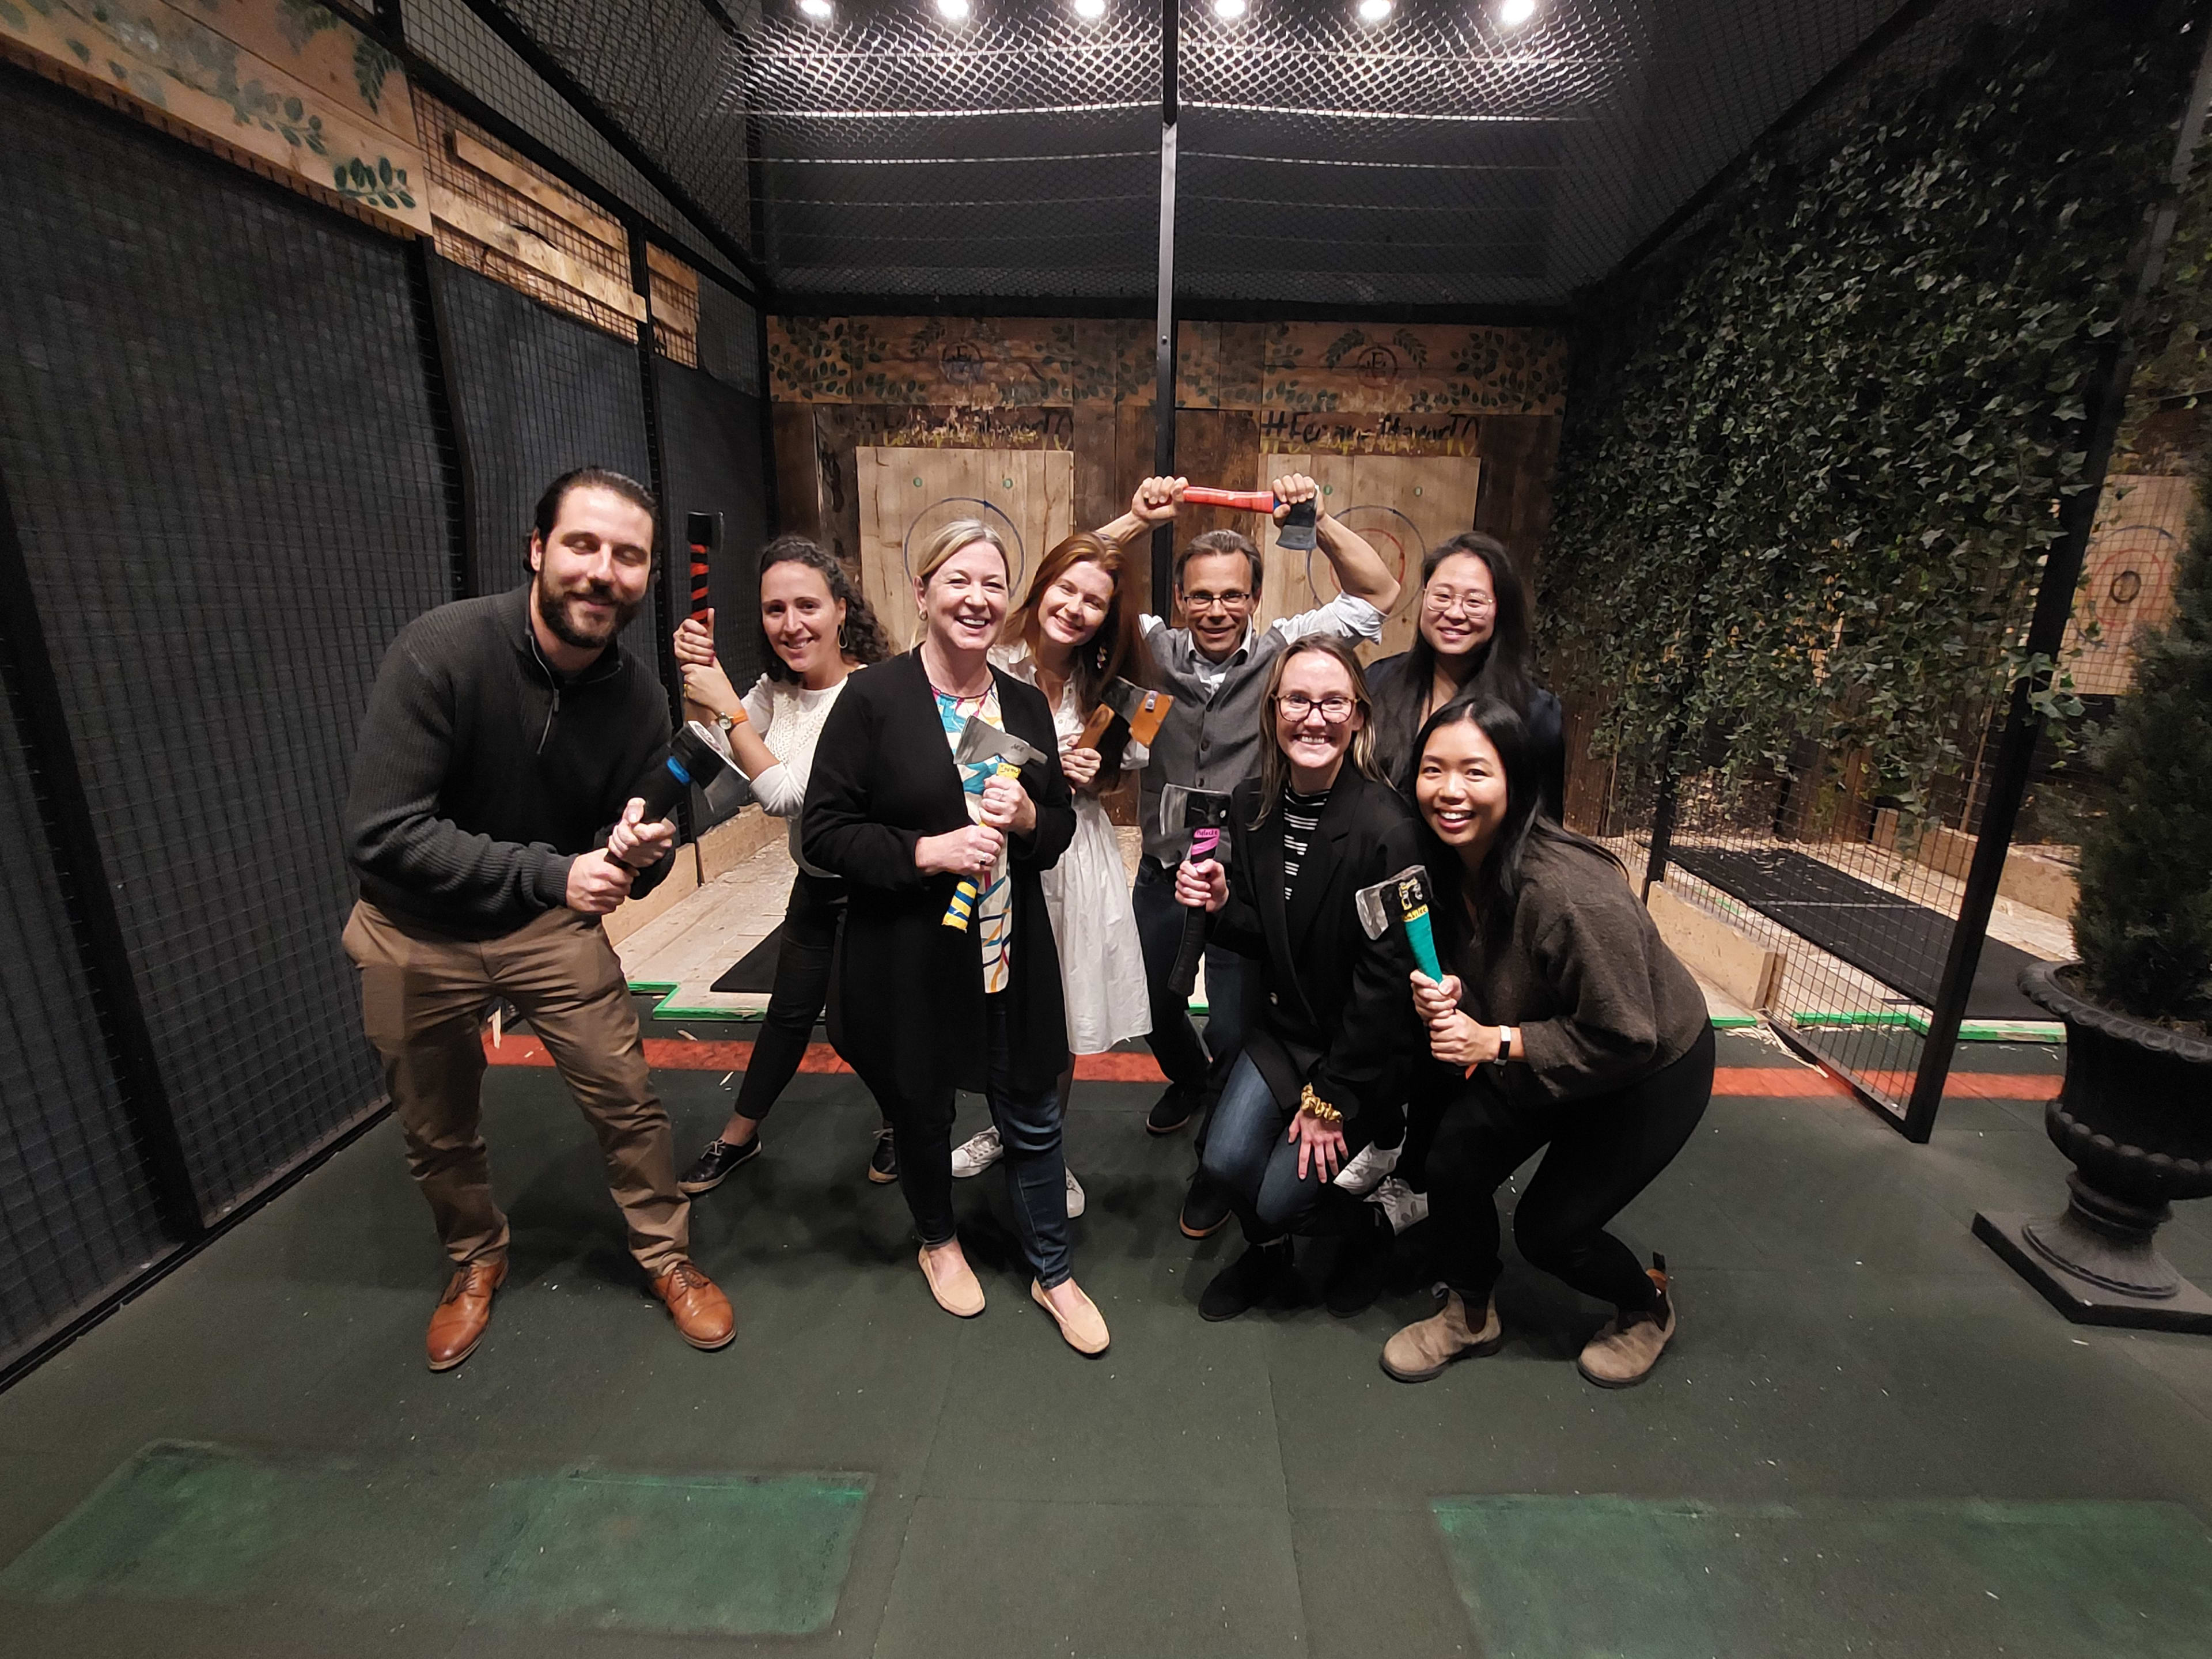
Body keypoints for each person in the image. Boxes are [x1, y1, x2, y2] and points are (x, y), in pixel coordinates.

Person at [343, 467, 735, 1372]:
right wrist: (557, 872)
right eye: (584, 546)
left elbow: (634, 836)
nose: (604, 572)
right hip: (416, 929)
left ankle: (667, 1259)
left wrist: (643, 853)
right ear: (538, 552)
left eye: (629, 557)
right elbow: (383, 832)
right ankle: (475, 1259)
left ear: (645, 579)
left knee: (627, 1103)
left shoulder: (636, 694)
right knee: (435, 1125)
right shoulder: (440, 650)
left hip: (545, 928)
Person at [805, 519, 1109, 1356]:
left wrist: (1027, 817)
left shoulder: (1021, 705)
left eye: (993, 585)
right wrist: (924, 850)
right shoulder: (873, 701)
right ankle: (939, 1241)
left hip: (1008, 947)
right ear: (924, 590)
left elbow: (1057, 833)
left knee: (1033, 1110)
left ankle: (1055, 1273)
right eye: (959, 581)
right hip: (908, 951)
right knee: (922, 1108)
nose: (977, 599)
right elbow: (824, 835)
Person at [1097, 474, 1403, 1240]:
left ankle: (1213, 1161)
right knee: (1152, 1005)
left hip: (1250, 893)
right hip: (1166, 871)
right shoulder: (1147, 646)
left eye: (1233, 596)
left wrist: (1321, 518)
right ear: (1178, 598)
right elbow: (1066, 576)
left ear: (1255, 599)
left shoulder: (1284, 652)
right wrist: (1134, 521)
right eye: (1201, 596)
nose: (1216, 611)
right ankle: (1197, 1082)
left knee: (1235, 1025)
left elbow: (1381, 589)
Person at [1380, 698, 1714, 1390]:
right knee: (1453, 1161)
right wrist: (1454, 1001)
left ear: (1517, 781)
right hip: (1542, 1037)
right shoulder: (1447, 865)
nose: (1450, 790)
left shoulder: (1570, 892)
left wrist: (1495, 1040)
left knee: (1552, 1233)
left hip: (1650, 1064)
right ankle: (1471, 1315)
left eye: (1476, 771)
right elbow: (1500, 982)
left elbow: (1626, 1035)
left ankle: (1645, 1306)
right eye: (1433, 770)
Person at [1173, 636, 1425, 1320]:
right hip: (1284, 1032)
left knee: (1281, 1195)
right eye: (1298, 701)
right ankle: (1267, 1253)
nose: (1314, 718)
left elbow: (1385, 983)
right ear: (1274, 711)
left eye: (1333, 702)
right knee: (1225, 1167)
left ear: (1359, 718)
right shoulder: (1256, 802)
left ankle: (1381, 1215)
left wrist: (1333, 1098)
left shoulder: (1387, 828)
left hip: (1354, 1050)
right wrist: (1224, 905)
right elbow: (1267, 937)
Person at [664, 537, 899, 1194]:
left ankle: (903, 1123)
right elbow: (717, 774)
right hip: (817, 883)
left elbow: (788, 795)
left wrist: (730, 708)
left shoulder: (867, 693)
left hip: (875, 889)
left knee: (864, 1027)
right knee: (788, 1014)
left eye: (807, 606)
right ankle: (740, 1136)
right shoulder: (776, 689)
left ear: (841, 610)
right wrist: (698, 687)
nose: (791, 625)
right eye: (774, 610)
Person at [950, 530, 1157, 1213]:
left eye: (1094, 601)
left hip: (1074, 857)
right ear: (1040, 588)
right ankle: (1007, 1129)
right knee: (996, 1002)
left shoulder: (1114, 688)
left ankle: (1045, 1143)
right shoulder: (991, 658)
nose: (1075, 608)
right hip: (994, 845)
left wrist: (1093, 777)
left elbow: (1113, 786)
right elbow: (963, 759)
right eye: (1066, 589)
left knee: (1059, 1010)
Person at [1365, 532, 1564, 809]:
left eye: (1474, 601)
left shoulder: (1535, 714)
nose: (1455, 613)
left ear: (1501, 610)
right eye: (1442, 596)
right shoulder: (1377, 681)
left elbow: (1542, 823)